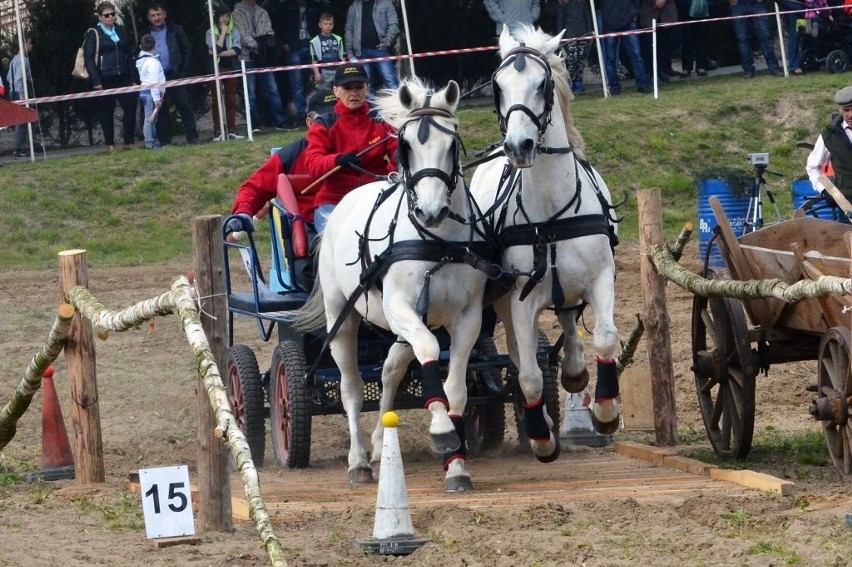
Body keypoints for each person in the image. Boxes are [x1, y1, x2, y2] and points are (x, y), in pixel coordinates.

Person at [303, 63, 398, 234]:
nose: (353, 93)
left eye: (359, 87)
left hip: (378, 195)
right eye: (347, 87)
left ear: (367, 88)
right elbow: (312, 164)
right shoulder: (324, 123)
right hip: (334, 201)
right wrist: (337, 160)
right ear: (335, 90)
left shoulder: (382, 119)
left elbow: (397, 151)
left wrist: (400, 161)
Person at [83, 2, 138, 152]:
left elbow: (129, 54)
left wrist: (133, 78)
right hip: (105, 77)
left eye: (113, 14)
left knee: (130, 107)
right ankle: (110, 144)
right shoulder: (93, 33)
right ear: (100, 17)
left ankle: (128, 142)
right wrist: (96, 81)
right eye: (107, 15)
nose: (111, 17)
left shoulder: (120, 30)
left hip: (124, 76)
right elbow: (88, 58)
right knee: (107, 111)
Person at [143, 3, 199, 145]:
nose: (157, 18)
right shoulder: (145, 35)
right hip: (157, 79)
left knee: (184, 106)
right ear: (149, 18)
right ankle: (164, 141)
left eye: (159, 14)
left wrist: (184, 71)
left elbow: (187, 50)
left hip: (176, 75)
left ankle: (193, 138)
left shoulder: (176, 30)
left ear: (164, 14)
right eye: (153, 15)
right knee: (160, 110)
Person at [232, 0, 290, 131]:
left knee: (272, 89)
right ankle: (254, 124)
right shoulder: (236, 13)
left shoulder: (263, 12)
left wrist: (263, 45)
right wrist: (256, 44)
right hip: (246, 57)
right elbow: (241, 34)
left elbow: (269, 32)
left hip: (264, 58)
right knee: (250, 92)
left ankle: (280, 121)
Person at [277, 0, 321, 127]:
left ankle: (319, 112)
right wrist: (284, 42)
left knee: (318, 81)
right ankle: (301, 116)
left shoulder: (314, 5)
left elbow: (321, 25)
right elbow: (279, 25)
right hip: (294, 47)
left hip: (312, 46)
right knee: (297, 85)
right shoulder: (286, 5)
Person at [806, 86, 852, 201]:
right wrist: (827, 190)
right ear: (839, 109)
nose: (850, 115)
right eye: (846, 110)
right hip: (847, 203)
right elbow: (813, 167)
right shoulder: (829, 134)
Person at [206, 4, 244, 140]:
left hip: (231, 68)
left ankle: (232, 129)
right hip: (216, 69)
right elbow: (214, 48)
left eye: (227, 15)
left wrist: (218, 52)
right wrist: (222, 33)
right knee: (216, 100)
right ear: (217, 16)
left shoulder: (234, 31)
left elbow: (236, 50)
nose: (225, 18)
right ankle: (217, 130)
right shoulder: (211, 31)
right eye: (222, 15)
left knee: (231, 99)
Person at [344, 0, 400, 92]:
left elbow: (394, 24)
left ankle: (399, 105)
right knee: (367, 86)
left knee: (391, 82)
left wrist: (387, 41)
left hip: (381, 50)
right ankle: (370, 107)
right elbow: (349, 30)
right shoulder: (353, 7)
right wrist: (349, 52)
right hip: (361, 52)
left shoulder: (386, 3)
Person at [601, 0, 651, 95]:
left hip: (627, 21)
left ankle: (642, 84)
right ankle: (614, 87)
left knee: (635, 56)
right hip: (610, 23)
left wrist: (635, 13)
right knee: (611, 59)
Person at [729, 0, 783, 79]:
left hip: (756, 4)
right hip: (739, 4)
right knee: (743, 39)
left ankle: (774, 68)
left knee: (765, 36)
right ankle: (748, 70)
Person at [556, 0, 593, 93]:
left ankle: (579, 81)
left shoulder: (582, 3)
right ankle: (570, 81)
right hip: (570, 36)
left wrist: (589, 32)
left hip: (583, 34)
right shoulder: (564, 4)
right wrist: (560, 36)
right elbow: (560, 20)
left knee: (581, 60)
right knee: (572, 60)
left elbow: (587, 17)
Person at [136, 34, 165, 150]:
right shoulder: (153, 62)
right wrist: (157, 98)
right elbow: (154, 82)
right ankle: (150, 144)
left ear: (140, 46)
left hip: (145, 91)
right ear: (155, 46)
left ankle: (153, 141)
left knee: (151, 119)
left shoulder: (142, 60)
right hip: (150, 93)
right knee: (150, 119)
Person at [7, 37, 33, 158]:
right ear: (24, 45)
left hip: (13, 92)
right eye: (30, 43)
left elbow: (9, 78)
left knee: (21, 120)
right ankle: (18, 149)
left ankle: (24, 147)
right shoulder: (23, 60)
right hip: (19, 92)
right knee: (21, 121)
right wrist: (22, 95)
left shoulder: (13, 60)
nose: (31, 46)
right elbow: (19, 79)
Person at [639, 0, 678, 82]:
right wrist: (654, 2)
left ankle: (665, 69)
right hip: (648, 14)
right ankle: (650, 72)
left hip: (667, 14)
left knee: (666, 44)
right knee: (649, 46)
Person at [674, 0, 711, 78]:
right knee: (686, 39)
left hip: (703, 6)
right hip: (685, 7)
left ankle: (701, 66)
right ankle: (686, 68)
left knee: (702, 38)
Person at [310, 12, 345, 91]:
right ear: (320, 25)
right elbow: (314, 60)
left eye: (330, 24)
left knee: (339, 92)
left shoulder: (338, 39)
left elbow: (342, 58)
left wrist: (343, 71)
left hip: (337, 70)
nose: (328, 26)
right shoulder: (315, 41)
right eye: (325, 24)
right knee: (324, 93)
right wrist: (317, 73)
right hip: (324, 72)